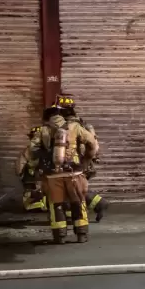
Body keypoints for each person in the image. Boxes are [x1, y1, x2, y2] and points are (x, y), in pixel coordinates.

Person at [25, 103, 99, 244]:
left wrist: (41, 163)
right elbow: (92, 143)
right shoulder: (75, 127)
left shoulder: (43, 130)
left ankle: (60, 236)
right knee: (78, 203)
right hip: (74, 174)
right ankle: (81, 235)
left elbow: (31, 151)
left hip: (53, 176)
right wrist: (86, 160)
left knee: (56, 205)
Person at [55, 94, 107, 222]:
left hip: (75, 163)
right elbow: (93, 144)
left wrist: (85, 161)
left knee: (72, 191)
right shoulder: (81, 123)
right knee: (78, 190)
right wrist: (89, 159)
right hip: (82, 162)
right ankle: (98, 204)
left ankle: (76, 217)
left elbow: (90, 144)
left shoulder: (71, 126)